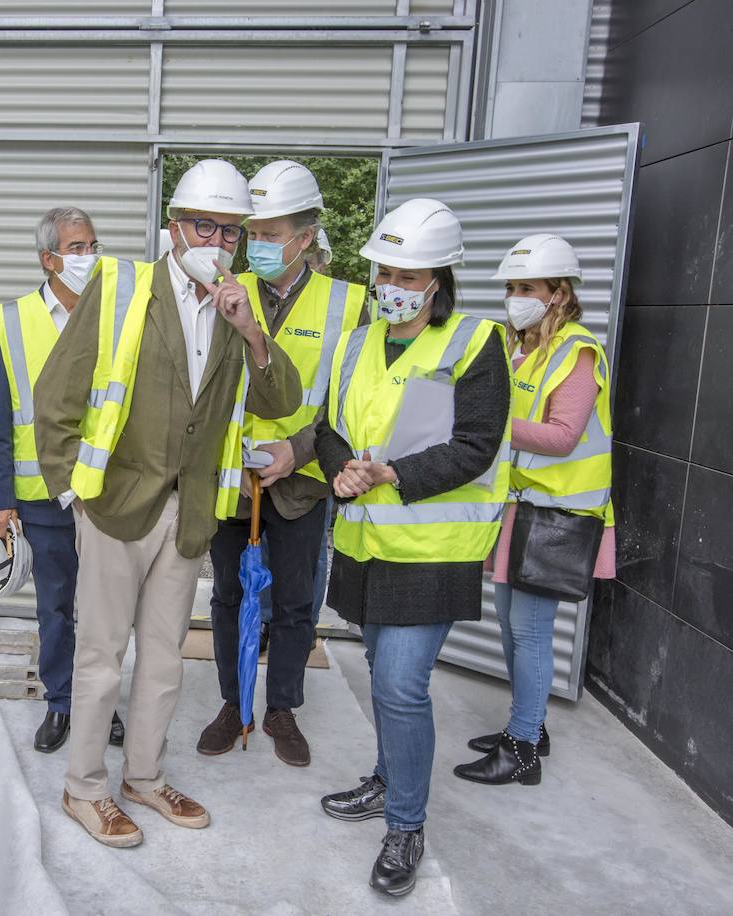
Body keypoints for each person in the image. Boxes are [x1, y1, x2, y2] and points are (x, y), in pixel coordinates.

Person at [34, 159, 301, 848]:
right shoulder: (122, 287)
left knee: (161, 658)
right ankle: (84, 788)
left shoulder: (244, 301)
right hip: (116, 507)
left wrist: (250, 329)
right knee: (99, 659)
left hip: (188, 515)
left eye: (230, 230)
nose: (216, 239)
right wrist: (73, 492)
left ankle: (143, 778)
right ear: (174, 226)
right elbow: (56, 395)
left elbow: (282, 401)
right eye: (203, 225)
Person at [313, 198, 510, 897]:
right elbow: (327, 425)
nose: (390, 283)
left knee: (400, 685)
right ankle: (388, 777)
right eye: (384, 269)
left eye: (407, 271)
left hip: (433, 549)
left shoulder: (475, 342)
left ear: (439, 279)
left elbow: (477, 445)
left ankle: (405, 825)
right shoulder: (356, 342)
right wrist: (340, 467)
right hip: (367, 542)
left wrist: (394, 472)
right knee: (379, 670)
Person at [198, 161, 365, 767]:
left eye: (273, 234)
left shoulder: (350, 304)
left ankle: (281, 708)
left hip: (303, 481)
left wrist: (300, 450)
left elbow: (354, 400)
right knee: (229, 596)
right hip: (233, 478)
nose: (259, 245)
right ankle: (232, 700)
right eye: (254, 233)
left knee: (295, 601)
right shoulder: (225, 288)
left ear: (306, 236)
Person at [454, 234, 616, 785]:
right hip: (517, 509)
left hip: (557, 516)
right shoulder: (518, 346)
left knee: (529, 631)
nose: (515, 296)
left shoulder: (578, 350)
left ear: (558, 293)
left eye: (527, 287)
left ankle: (522, 749)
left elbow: (563, 436)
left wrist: (481, 421)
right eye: (510, 287)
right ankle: (531, 723)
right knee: (509, 625)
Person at [0, 206, 125, 754]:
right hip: (40, 496)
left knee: (105, 609)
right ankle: (62, 701)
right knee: (56, 606)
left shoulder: (116, 316)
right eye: (78, 248)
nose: (89, 256)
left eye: (93, 245)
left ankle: (101, 703)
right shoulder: (11, 321)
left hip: (103, 493)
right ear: (49, 259)